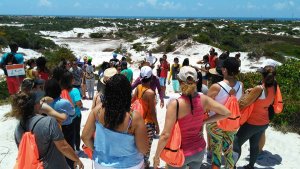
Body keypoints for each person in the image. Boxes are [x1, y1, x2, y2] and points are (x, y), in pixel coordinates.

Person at [153, 66, 231, 169]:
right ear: (196, 81)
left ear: (179, 81)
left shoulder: (175, 104)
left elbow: (165, 135)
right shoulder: (204, 99)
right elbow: (226, 113)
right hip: (199, 150)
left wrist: (156, 156)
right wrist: (205, 121)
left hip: (179, 152)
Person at [81, 74, 148, 168]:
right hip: (130, 165)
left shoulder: (98, 110)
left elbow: (85, 137)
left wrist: (96, 151)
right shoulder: (134, 117)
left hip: (101, 164)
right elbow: (143, 149)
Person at [12, 92, 84, 169]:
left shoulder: (18, 128)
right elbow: (63, 146)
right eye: (39, 101)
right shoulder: (49, 122)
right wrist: (76, 159)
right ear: (35, 105)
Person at [233, 66, 278, 169]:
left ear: (263, 76)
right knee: (254, 145)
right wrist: (253, 91)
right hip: (264, 122)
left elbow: (243, 104)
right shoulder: (274, 86)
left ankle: (232, 166)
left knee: (236, 143)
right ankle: (251, 166)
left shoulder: (259, 88)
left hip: (252, 123)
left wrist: (245, 94)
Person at [206, 57, 243, 169]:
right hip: (231, 123)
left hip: (216, 123)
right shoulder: (240, 85)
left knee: (216, 151)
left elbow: (205, 105)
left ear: (224, 70)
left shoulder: (216, 87)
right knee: (228, 150)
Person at [44, 79, 76, 169]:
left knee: (57, 149)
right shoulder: (64, 102)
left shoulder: (44, 103)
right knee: (69, 147)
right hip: (67, 128)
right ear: (59, 90)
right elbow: (73, 113)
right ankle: (71, 165)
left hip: (52, 128)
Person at [131, 66, 159, 168]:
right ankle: (145, 165)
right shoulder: (150, 93)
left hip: (137, 121)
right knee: (146, 148)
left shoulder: (138, 88)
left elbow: (132, 101)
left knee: (137, 146)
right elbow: (152, 112)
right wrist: (157, 125)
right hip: (148, 123)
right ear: (151, 78)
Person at [61, 71, 83, 153]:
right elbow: (79, 103)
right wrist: (79, 105)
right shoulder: (75, 90)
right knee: (76, 132)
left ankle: (69, 148)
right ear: (71, 80)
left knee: (67, 133)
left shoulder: (61, 90)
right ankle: (77, 148)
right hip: (75, 115)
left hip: (64, 116)